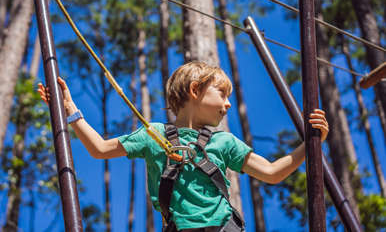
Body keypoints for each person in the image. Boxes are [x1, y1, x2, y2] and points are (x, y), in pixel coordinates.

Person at [38, 61, 329, 231]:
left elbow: (272, 172)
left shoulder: (223, 141)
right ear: (195, 90)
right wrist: (71, 111)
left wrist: (310, 145)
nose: (228, 103)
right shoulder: (155, 134)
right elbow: (100, 149)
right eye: (222, 93)